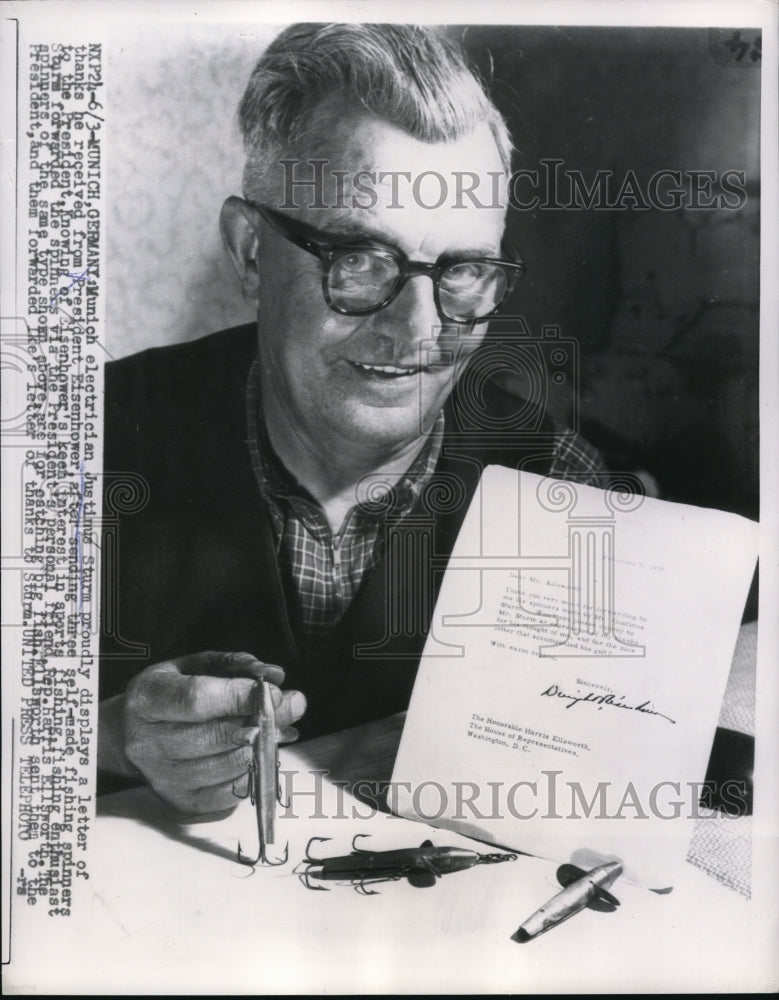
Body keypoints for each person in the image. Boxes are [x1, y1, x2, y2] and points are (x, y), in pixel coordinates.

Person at [97, 23, 605, 813]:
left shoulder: (558, 484)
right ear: (250, 253)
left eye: (463, 270)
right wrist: (107, 736)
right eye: (360, 261)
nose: (416, 329)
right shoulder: (72, 449)